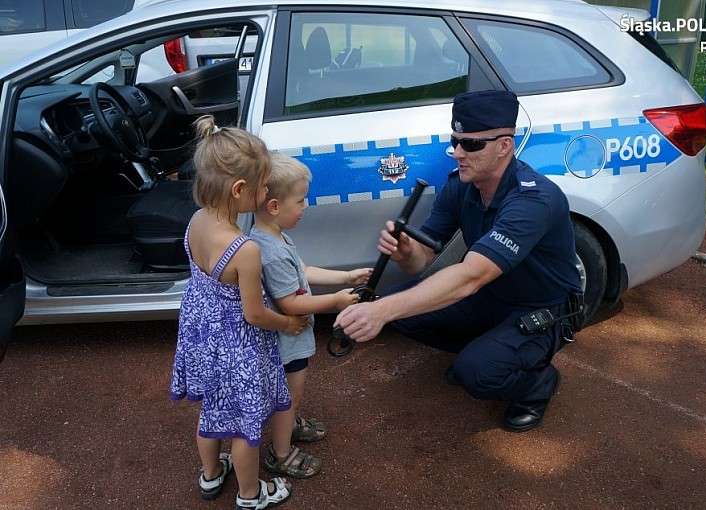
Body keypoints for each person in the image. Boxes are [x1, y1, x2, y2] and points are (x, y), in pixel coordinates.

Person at [335, 90, 582, 432]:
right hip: (492, 295)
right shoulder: (462, 186)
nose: (458, 153)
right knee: (409, 316)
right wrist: (406, 251)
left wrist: (382, 310)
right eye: (455, 141)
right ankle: (490, 351)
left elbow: (470, 276)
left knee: (475, 372)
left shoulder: (532, 200)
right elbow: (423, 262)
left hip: (538, 308)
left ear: (504, 146)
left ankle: (537, 384)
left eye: (471, 145)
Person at [169, 116, 309, 509]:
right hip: (238, 347)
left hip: (201, 335)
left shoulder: (197, 220)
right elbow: (255, 314)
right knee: (245, 430)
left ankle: (211, 476)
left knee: (212, 412)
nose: (266, 193)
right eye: (263, 186)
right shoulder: (244, 249)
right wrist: (290, 322)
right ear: (239, 189)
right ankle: (251, 495)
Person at [250, 153, 371, 477]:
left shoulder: (270, 237)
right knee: (288, 396)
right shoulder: (271, 252)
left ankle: (287, 423)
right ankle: (281, 452)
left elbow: (302, 272)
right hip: (287, 342)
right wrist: (336, 301)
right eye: (301, 201)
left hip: (288, 339)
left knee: (288, 395)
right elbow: (290, 303)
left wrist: (346, 278)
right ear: (274, 206)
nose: (305, 207)